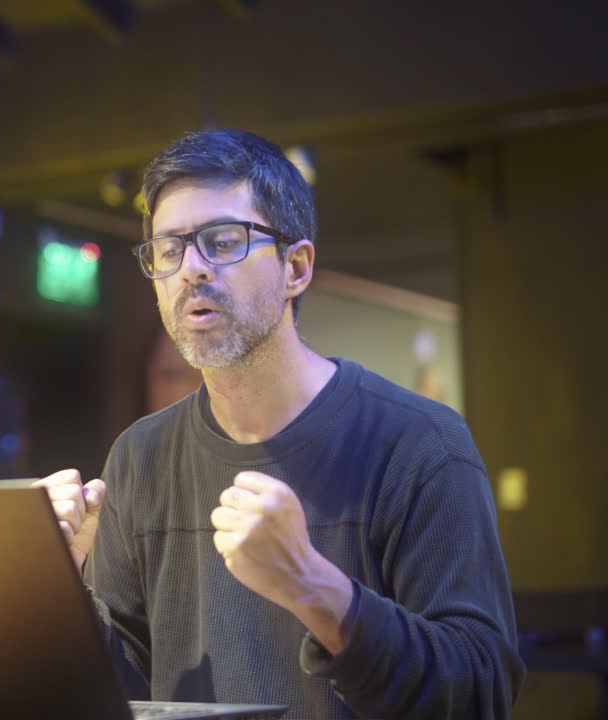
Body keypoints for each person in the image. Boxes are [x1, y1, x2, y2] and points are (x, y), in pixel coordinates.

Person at [37, 129, 524, 719]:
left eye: (222, 241)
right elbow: (124, 692)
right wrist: (61, 589)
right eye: (169, 250)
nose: (190, 268)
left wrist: (313, 586)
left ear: (296, 268)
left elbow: (480, 694)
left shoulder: (420, 444)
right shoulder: (141, 455)